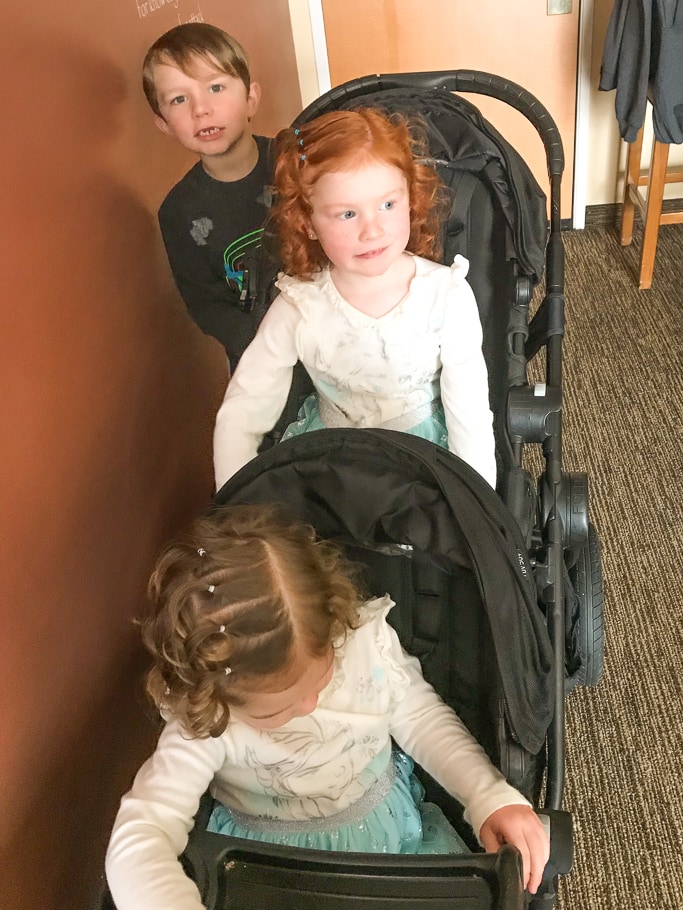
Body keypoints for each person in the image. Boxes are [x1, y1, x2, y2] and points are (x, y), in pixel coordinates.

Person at [105, 504, 549, 910]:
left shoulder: (363, 646)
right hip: (267, 871)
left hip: (390, 851)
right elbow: (143, 832)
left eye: (320, 678)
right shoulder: (207, 716)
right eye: (276, 710)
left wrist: (487, 796)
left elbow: (421, 718)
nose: (311, 703)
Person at [212, 108, 497, 492]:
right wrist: (236, 496)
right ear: (309, 224)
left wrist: (478, 504)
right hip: (329, 458)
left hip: (423, 460)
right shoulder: (300, 304)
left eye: (388, 205)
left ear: (410, 200)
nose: (372, 230)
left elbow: (470, 415)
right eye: (347, 213)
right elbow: (246, 406)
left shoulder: (444, 295)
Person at [142, 23, 275, 372]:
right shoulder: (178, 211)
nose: (200, 109)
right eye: (179, 99)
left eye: (216, 87)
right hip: (260, 357)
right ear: (164, 123)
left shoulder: (297, 164)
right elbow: (206, 303)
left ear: (251, 98)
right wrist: (265, 345)